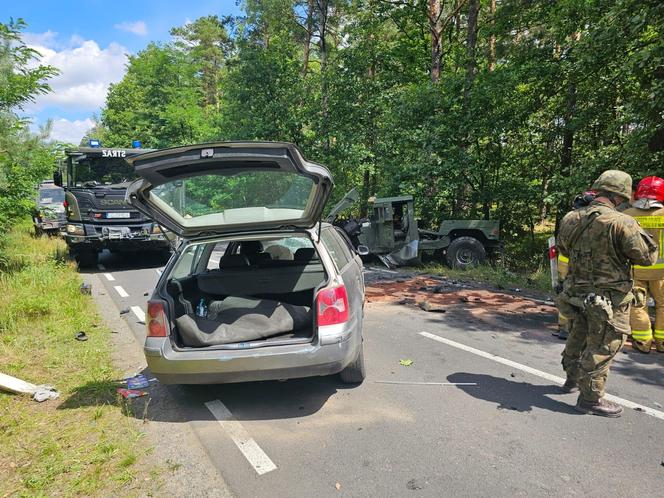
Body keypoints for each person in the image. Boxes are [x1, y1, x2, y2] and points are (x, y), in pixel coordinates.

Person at [556, 170, 657, 417]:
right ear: (620, 195)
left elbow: (562, 247)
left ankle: (571, 379)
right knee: (604, 344)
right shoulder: (622, 222)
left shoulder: (571, 218)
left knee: (578, 335)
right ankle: (590, 398)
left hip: (576, 292)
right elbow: (646, 257)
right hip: (608, 298)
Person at [623, 176, 664, 353]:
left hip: (635, 271)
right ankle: (662, 342)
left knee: (638, 305)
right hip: (662, 273)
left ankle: (643, 342)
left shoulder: (627, 215)